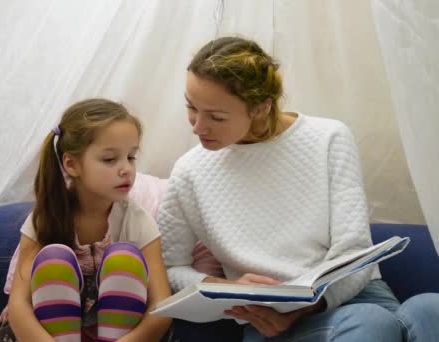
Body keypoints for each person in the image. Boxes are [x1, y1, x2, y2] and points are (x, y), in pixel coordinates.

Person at [158, 36, 439, 341]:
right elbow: (170, 266)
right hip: (271, 320)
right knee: (371, 323)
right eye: (191, 107)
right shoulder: (189, 171)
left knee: (429, 308)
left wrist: (308, 306)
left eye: (216, 116)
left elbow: (353, 250)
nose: (197, 126)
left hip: (358, 297)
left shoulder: (329, 138)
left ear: (261, 108)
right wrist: (226, 288)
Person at [7, 98, 172, 342]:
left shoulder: (137, 220)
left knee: (124, 259)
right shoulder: (46, 217)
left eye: (131, 157)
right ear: (72, 164)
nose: (126, 168)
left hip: (119, 334)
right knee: (54, 260)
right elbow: (19, 305)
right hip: (49, 333)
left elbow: (161, 305)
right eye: (109, 159)